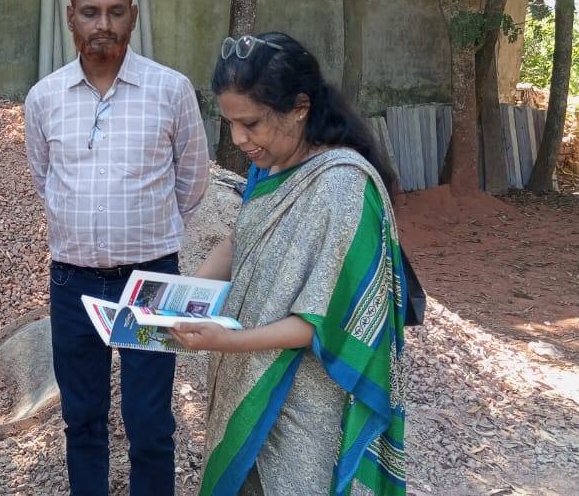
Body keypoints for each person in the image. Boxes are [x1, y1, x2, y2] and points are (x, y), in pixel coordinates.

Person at [169, 32, 408, 496]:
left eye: (251, 123)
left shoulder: (343, 187)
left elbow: (323, 323)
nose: (238, 139)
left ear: (299, 107)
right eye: (230, 123)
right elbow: (240, 240)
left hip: (303, 403)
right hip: (245, 377)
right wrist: (177, 299)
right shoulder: (270, 165)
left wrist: (228, 341)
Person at [23, 0, 211, 496]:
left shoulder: (171, 90)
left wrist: (148, 233)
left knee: (150, 422)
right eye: (90, 12)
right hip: (73, 282)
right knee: (82, 418)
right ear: (70, 18)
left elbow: (193, 179)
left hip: (151, 278)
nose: (102, 24)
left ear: (133, 16)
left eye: (114, 12)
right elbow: (45, 178)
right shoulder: (44, 97)